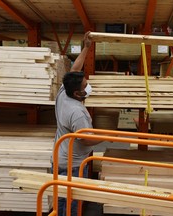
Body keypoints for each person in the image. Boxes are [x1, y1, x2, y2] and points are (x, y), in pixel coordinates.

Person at [51, 31, 103, 216]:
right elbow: (86, 140)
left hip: (59, 158)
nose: (87, 86)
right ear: (77, 94)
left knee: (60, 199)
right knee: (71, 204)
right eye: (85, 86)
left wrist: (87, 47)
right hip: (72, 165)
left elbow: (74, 69)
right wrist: (106, 136)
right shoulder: (77, 112)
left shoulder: (63, 91)